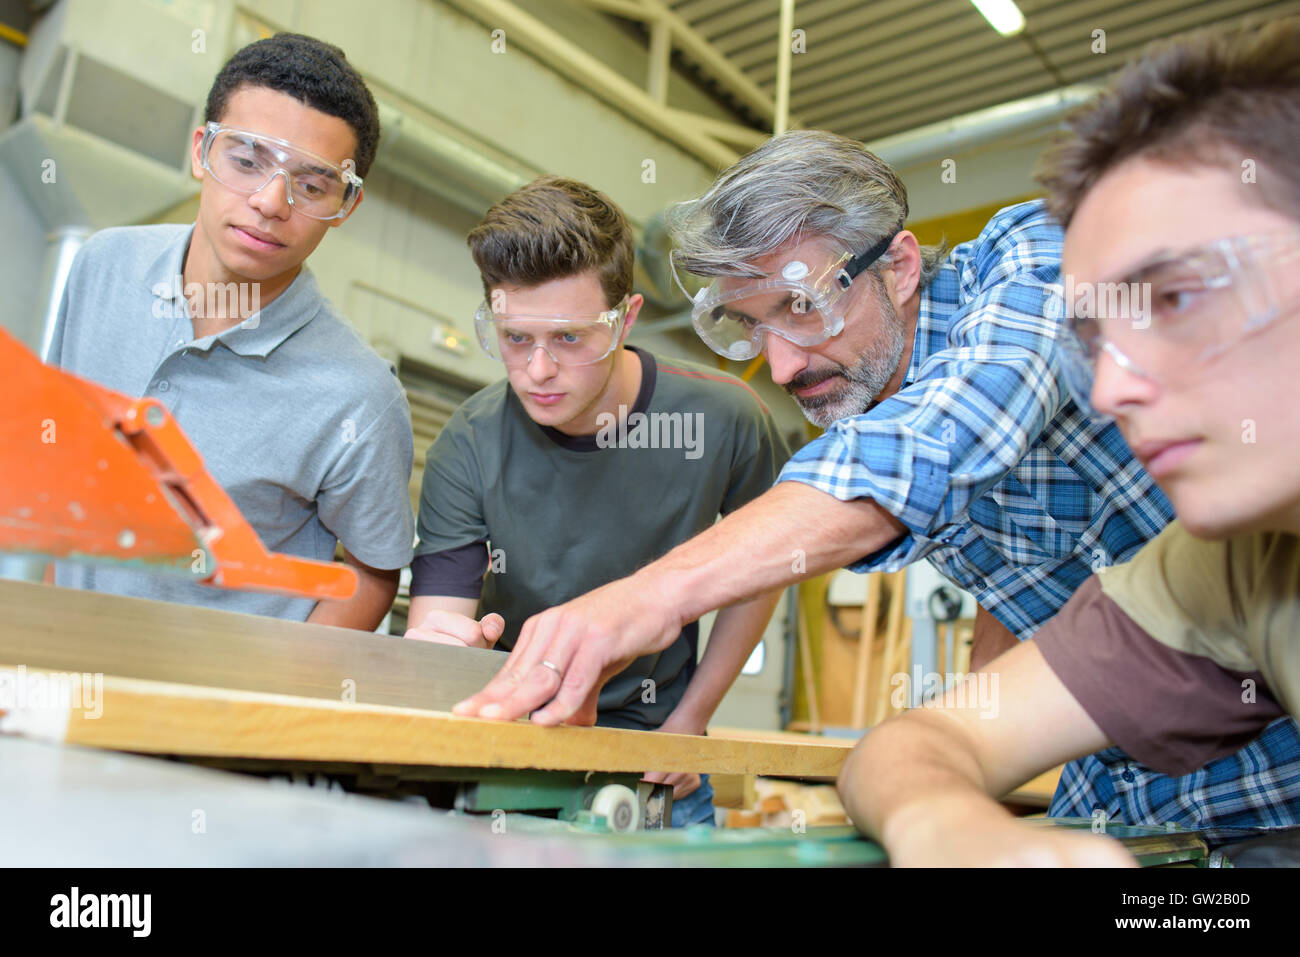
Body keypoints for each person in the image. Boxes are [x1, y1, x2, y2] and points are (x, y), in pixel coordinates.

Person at [452, 127, 1300, 835]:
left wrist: (648, 596)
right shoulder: (865, 396)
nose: (781, 364)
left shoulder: (1031, 258)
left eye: (803, 308)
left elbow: (954, 430)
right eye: (751, 328)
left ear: (897, 266)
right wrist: (969, 752)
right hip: (1130, 802)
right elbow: (1021, 578)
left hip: (1268, 791)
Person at [835, 15, 1300, 866]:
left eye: (1174, 298)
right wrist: (947, 825)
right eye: (1097, 341)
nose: (1114, 386)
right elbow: (917, 744)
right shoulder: (1233, 567)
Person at [403, 175, 790, 826]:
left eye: (569, 339)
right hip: (507, 758)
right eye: (514, 337)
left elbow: (768, 564)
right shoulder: (465, 445)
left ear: (626, 319)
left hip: (653, 758)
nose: (538, 370)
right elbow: (437, 623)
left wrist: (692, 717)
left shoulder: (726, 421)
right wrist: (446, 650)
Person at [46, 33, 414, 627]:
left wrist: (270, 704)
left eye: (313, 184)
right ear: (201, 151)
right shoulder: (102, 268)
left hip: (217, 704)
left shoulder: (360, 395)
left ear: (346, 205)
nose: (271, 201)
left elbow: (372, 574)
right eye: (247, 160)